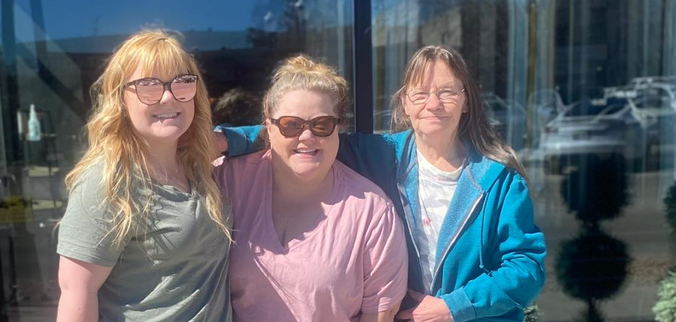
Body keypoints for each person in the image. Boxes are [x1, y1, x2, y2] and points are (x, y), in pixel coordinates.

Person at [218, 46, 547, 322]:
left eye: (447, 91)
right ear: (405, 103)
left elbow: (527, 267)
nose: (433, 103)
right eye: (420, 93)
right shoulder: (381, 153)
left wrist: (452, 307)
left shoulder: (499, 180)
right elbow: (299, 134)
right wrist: (224, 141)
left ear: (466, 101)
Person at [212, 56, 408, 322]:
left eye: (321, 125)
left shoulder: (372, 213)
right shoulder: (227, 181)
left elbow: (380, 314)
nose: (307, 136)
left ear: (338, 128)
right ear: (269, 127)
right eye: (291, 125)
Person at [57, 30, 232, 322]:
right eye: (148, 86)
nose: (168, 97)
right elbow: (76, 293)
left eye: (182, 83)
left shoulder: (197, 165)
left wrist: (234, 139)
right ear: (120, 100)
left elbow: (268, 134)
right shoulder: (108, 181)